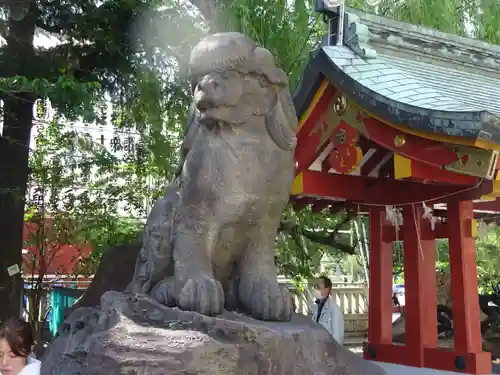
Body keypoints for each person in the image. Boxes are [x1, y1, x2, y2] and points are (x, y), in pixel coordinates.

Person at [311, 275, 344, 345]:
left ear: (327, 289)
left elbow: (337, 338)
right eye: (314, 286)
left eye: (318, 287)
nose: (315, 289)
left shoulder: (334, 310)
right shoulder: (315, 307)